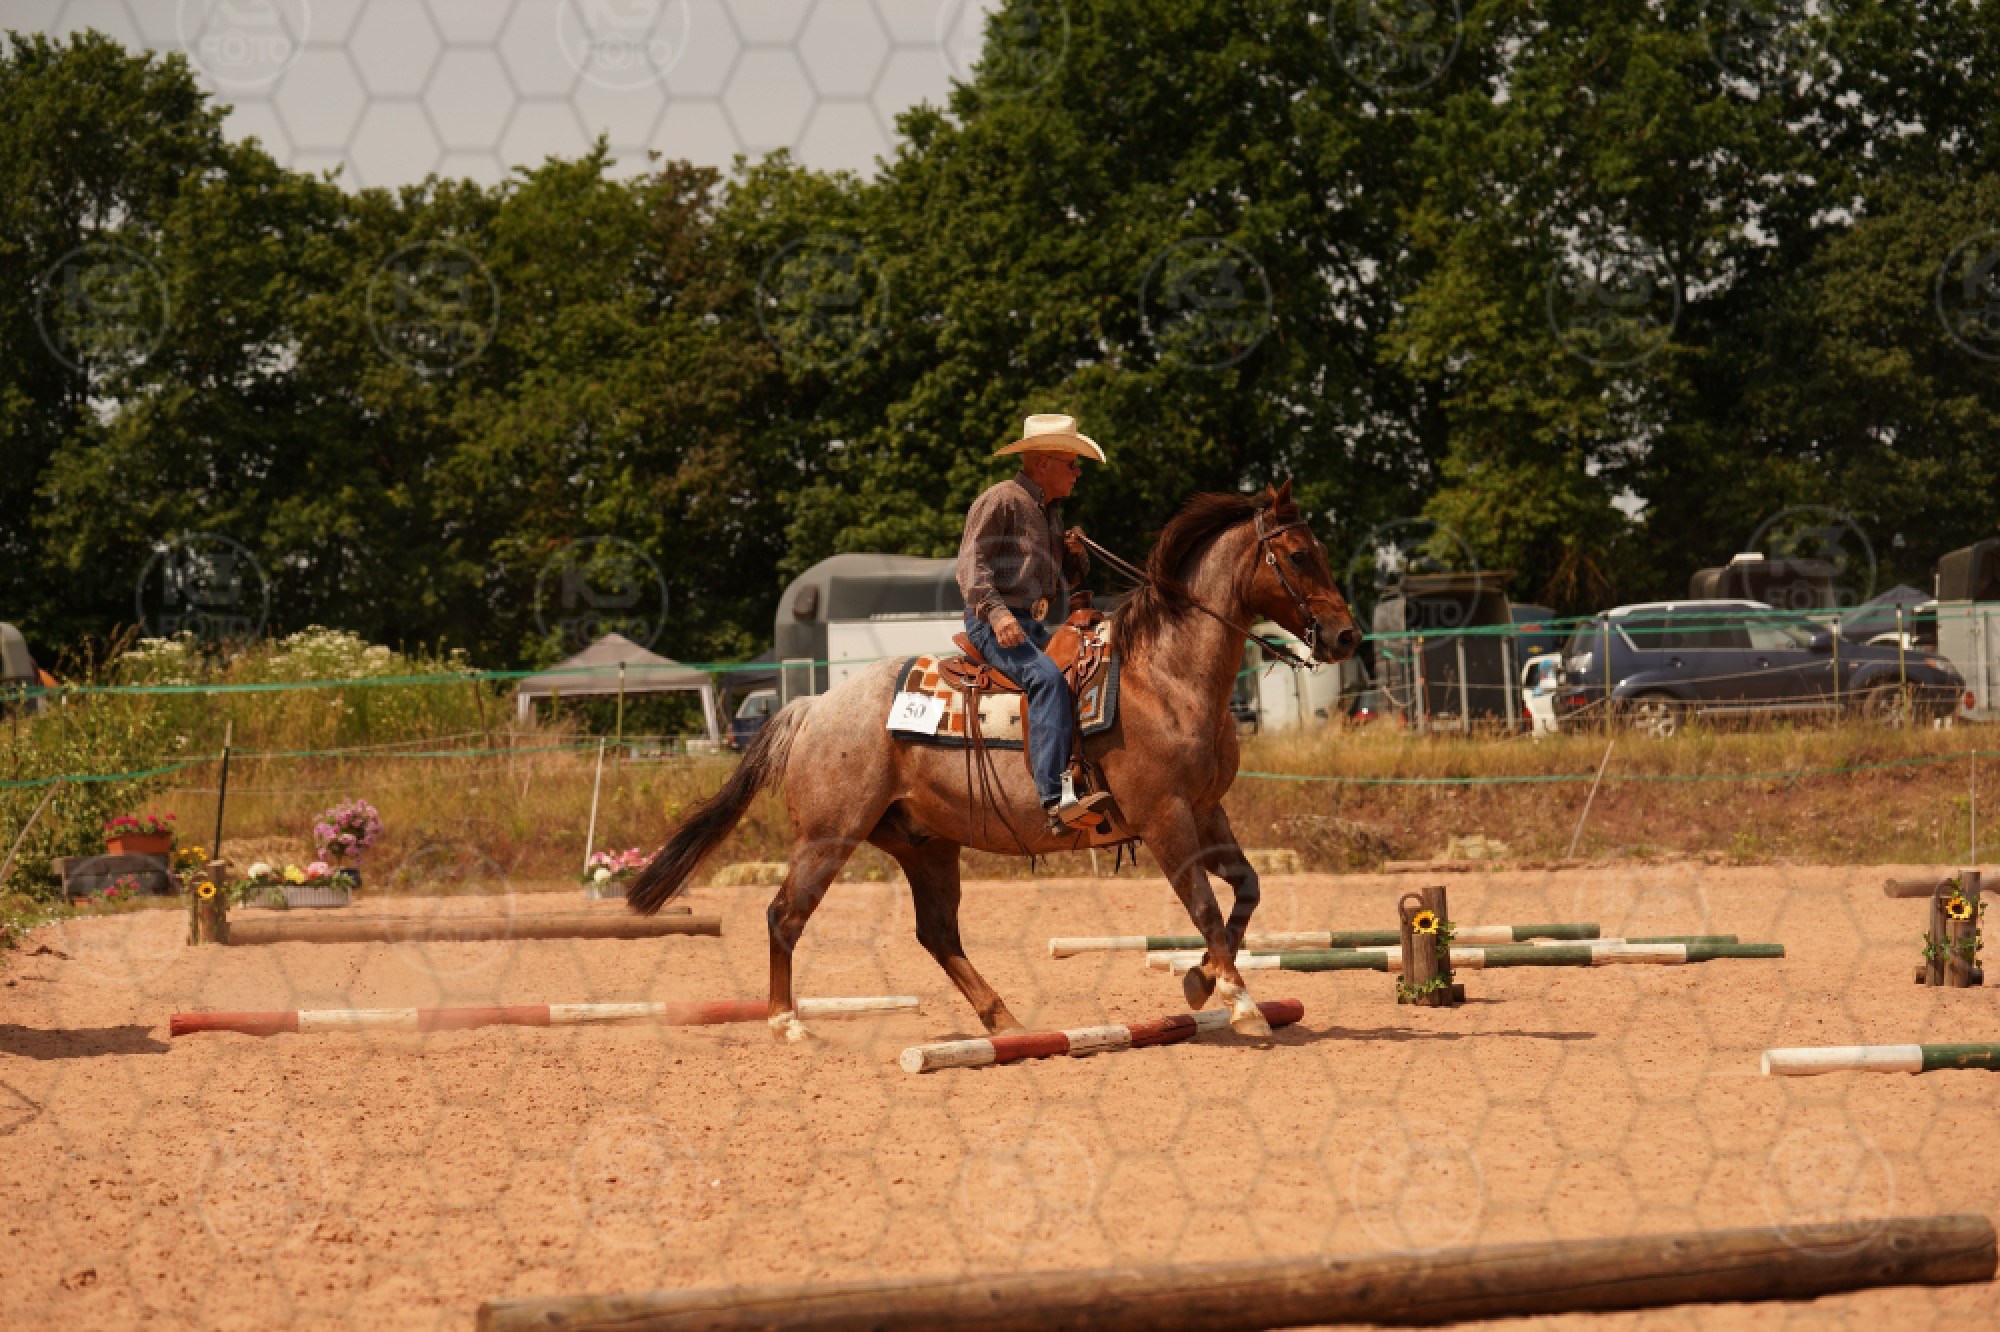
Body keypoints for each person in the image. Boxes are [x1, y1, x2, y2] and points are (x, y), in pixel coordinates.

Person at [956, 414, 1114, 832]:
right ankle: (1055, 800)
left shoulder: (1051, 513)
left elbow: (1061, 581)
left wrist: (1074, 558)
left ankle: (1087, 776)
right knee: (1045, 678)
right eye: (1071, 464)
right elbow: (970, 566)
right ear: (1043, 463)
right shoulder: (1001, 500)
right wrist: (997, 614)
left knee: (1090, 668)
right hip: (994, 623)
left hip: (1031, 624)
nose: (1078, 473)